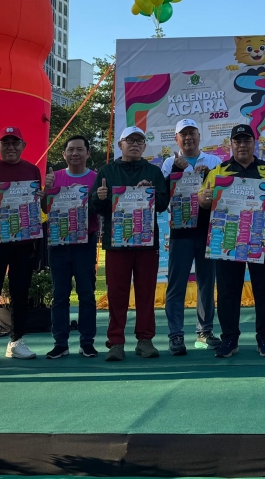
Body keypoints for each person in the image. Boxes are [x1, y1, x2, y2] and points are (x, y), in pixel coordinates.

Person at [199, 124, 265, 358]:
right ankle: (229, 339)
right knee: (228, 289)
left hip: (260, 235)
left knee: (264, 288)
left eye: (246, 140)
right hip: (227, 236)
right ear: (231, 144)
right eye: (237, 141)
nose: (242, 145)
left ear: (254, 143)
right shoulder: (218, 171)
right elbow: (203, 199)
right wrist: (204, 198)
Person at [90, 126, 170, 362]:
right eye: (130, 140)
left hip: (146, 242)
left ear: (144, 146)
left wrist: (151, 193)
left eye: (139, 141)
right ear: (120, 145)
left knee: (146, 292)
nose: (135, 144)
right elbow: (95, 205)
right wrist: (100, 197)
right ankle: (116, 342)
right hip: (116, 242)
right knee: (116, 293)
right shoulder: (107, 171)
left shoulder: (153, 172)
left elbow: (163, 204)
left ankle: (145, 340)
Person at [0, 126, 43, 365]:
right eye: (6, 143)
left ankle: (17, 341)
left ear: (23, 146)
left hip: (24, 240)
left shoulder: (32, 170)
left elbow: (37, 206)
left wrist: (41, 199)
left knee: (20, 292)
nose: (11, 147)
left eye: (15, 143)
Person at [160, 119, 222, 355]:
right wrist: (176, 170)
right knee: (176, 286)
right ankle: (176, 336)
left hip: (208, 230)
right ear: (176, 139)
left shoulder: (214, 161)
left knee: (207, 284)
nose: (188, 138)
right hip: (181, 232)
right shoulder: (168, 163)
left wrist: (208, 178)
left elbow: (223, 194)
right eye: (183, 134)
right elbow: (163, 197)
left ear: (199, 136)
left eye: (192, 133)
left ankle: (204, 333)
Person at [43, 135, 100, 359]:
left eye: (79, 150)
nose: (75, 153)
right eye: (70, 150)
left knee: (86, 293)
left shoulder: (97, 178)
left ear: (88, 153)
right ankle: (60, 342)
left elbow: (101, 209)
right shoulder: (53, 178)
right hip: (58, 242)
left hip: (86, 241)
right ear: (63, 154)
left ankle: (87, 342)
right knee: (59, 295)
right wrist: (46, 192)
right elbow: (44, 210)